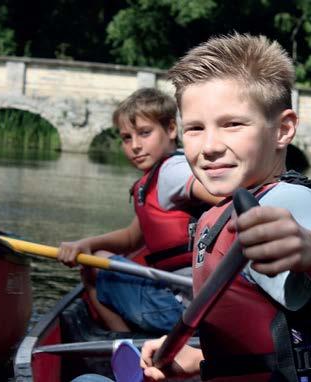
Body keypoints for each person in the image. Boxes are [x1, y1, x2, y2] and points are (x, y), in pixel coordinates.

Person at [139, 34, 311, 382]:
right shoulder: (229, 208)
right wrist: (196, 357)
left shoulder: (288, 201)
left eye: (232, 124)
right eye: (195, 129)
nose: (210, 146)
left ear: (283, 129)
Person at [57, 88, 220, 334]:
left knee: (92, 267)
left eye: (145, 133)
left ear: (172, 130)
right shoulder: (154, 179)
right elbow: (133, 237)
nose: (135, 146)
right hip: (186, 304)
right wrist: (85, 244)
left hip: (181, 309)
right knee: (94, 256)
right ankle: (128, 342)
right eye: (126, 138)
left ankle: (122, 344)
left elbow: (223, 196)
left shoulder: (172, 171)